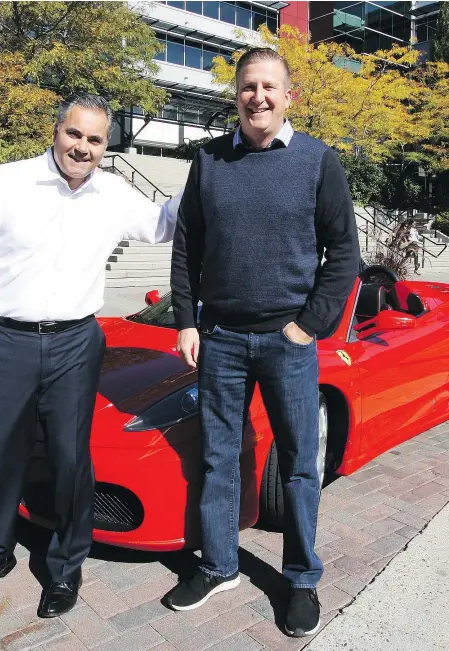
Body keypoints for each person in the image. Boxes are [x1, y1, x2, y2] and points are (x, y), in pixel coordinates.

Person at [0, 93, 182, 617]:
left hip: (75, 341)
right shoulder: (5, 182)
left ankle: (66, 568)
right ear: (56, 130)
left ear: (105, 144)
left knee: (72, 460)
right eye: (75, 134)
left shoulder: (113, 193)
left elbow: (162, 224)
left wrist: (209, 184)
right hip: (4, 341)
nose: (83, 147)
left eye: (95, 140)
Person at [167, 48, 360, 637]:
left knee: (301, 463)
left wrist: (308, 325)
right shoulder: (210, 160)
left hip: (287, 341)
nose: (259, 97)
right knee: (219, 458)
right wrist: (187, 321)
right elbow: (186, 248)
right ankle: (220, 563)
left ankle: (300, 577)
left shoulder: (317, 161)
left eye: (270, 87)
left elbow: (344, 255)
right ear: (236, 94)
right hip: (221, 338)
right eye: (248, 86)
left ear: (288, 96)